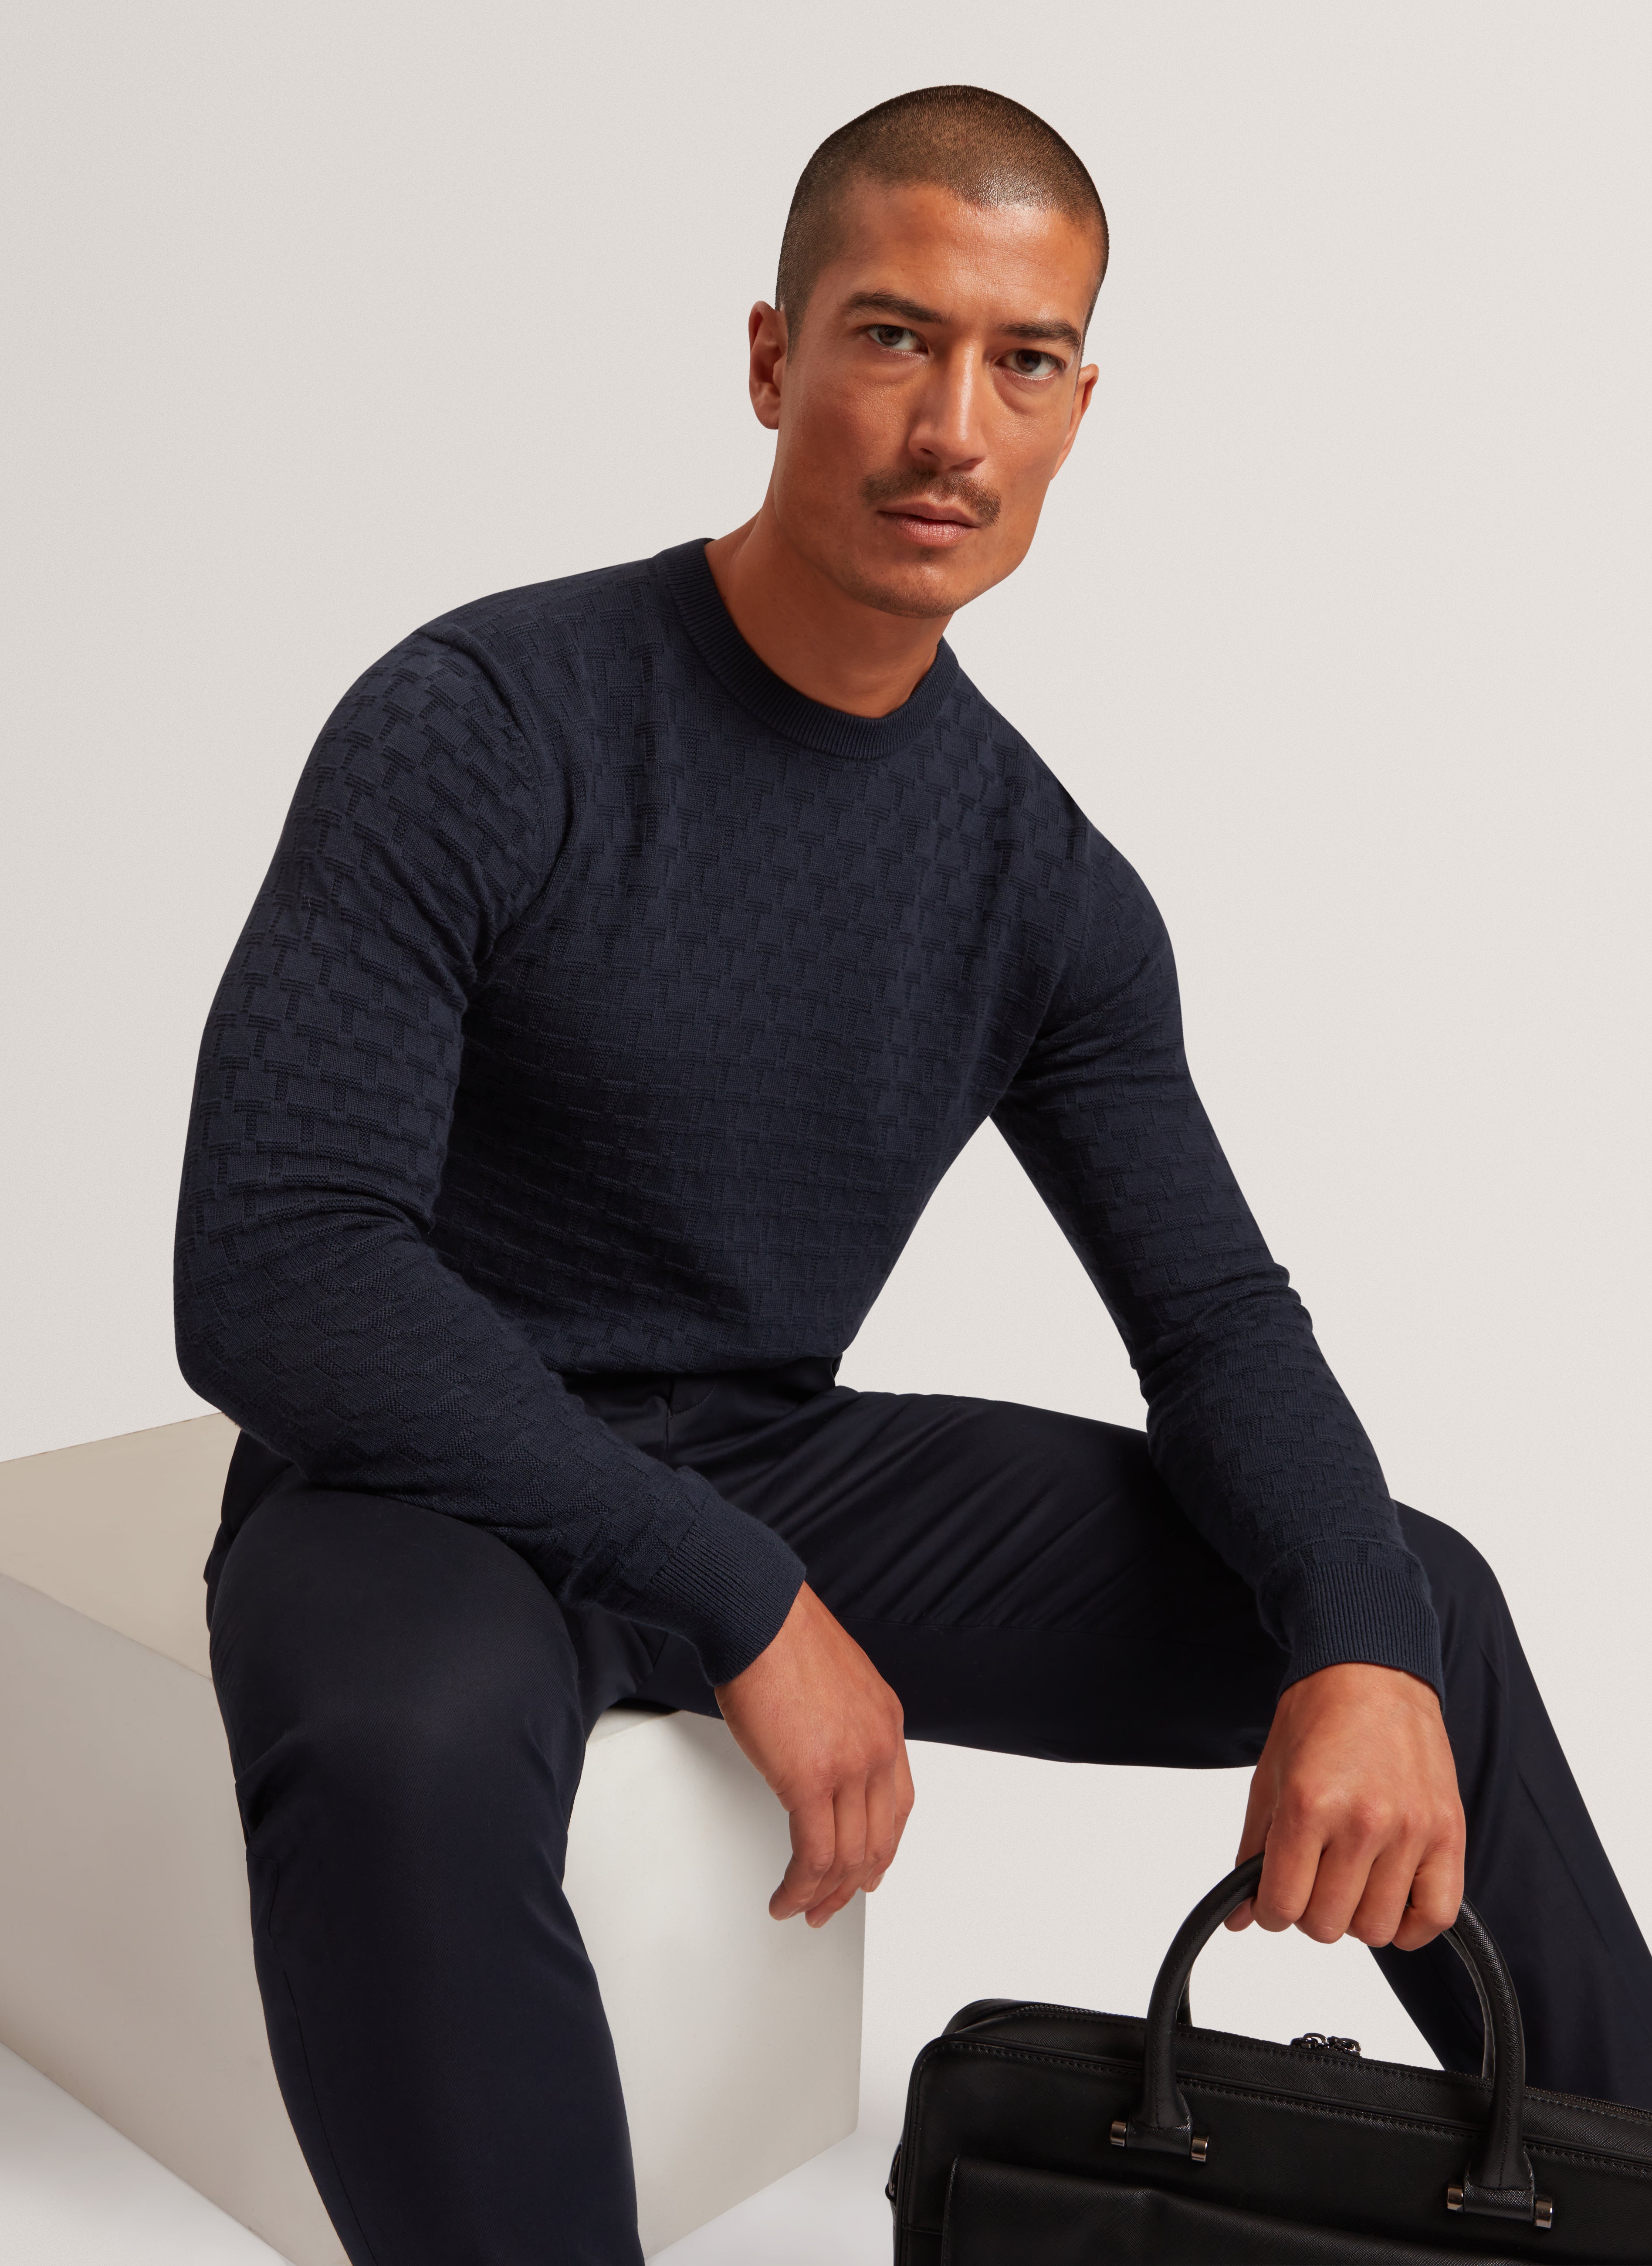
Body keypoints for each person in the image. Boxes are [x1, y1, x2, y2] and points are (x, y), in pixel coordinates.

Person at [174, 84, 1652, 2266]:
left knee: (1407, 1608)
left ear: (1075, 408)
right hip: (418, 1474)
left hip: (766, 1457)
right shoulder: (483, 718)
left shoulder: (1043, 886)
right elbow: (282, 1268)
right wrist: (742, 1594)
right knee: (403, 1741)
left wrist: (1355, 1644)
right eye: (893, 336)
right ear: (772, 359)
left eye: (1022, 359)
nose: (953, 424)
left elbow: (1214, 1322)